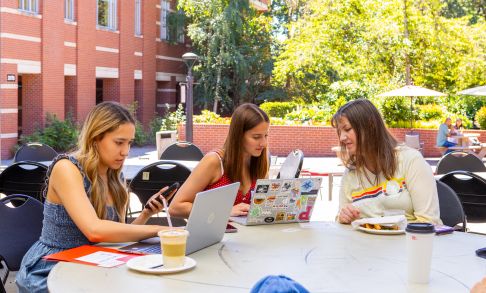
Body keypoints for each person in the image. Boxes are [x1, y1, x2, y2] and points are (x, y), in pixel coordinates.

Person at [16, 102, 174, 292]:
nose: (125, 151)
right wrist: (159, 230)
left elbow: (115, 236)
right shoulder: (67, 168)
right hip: (52, 267)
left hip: (95, 261)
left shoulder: (115, 177)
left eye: (129, 143)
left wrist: (146, 215)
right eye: (119, 142)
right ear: (95, 138)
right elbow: (94, 231)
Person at [332, 99, 441, 225]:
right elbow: (340, 222)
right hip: (365, 243)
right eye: (340, 132)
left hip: (408, 242)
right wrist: (344, 217)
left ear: (370, 125)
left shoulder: (410, 160)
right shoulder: (351, 173)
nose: (342, 138)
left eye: (347, 129)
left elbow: (429, 222)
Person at [169, 103, 269, 218]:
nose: (264, 143)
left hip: (245, 235)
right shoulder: (214, 161)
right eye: (256, 137)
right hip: (213, 235)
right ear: (238, 136)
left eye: (266, 136)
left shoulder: (259, 163)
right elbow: (175, 207)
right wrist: (224, 211)